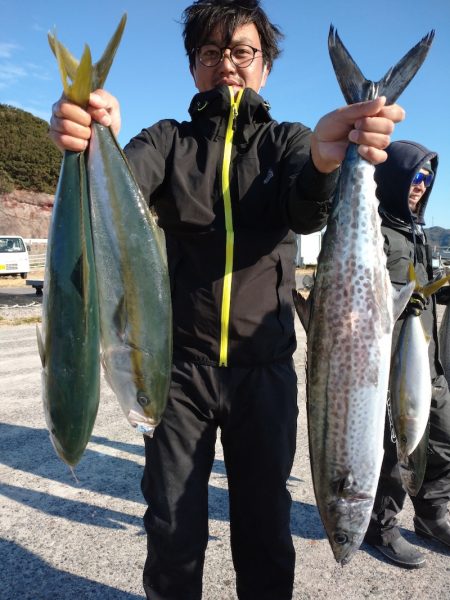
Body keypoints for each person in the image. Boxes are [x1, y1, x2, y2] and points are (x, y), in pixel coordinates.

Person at [49, 1, 405, 598]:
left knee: (266, 528)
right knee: (170, 526)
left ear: (264, 65)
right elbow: (117, 194)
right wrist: (93, 142)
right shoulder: (166, 141)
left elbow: (305, 202)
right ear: (194, 67)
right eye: (211, 54)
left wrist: (327, 158)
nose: (227, 66)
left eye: (242, 52)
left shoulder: (289, 141)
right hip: (177, 372)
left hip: (264, 371)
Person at [364, 140, 450, 569]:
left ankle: (433, 517)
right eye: (415, 176)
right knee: (398, 449)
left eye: (428, 178)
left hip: (428, 363)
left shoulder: (417, 230)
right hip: (393, 366)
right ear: (394, 178)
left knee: (443, 438)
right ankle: (382, 527)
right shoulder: (374, 232)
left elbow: (427, 291)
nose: (422, 185)